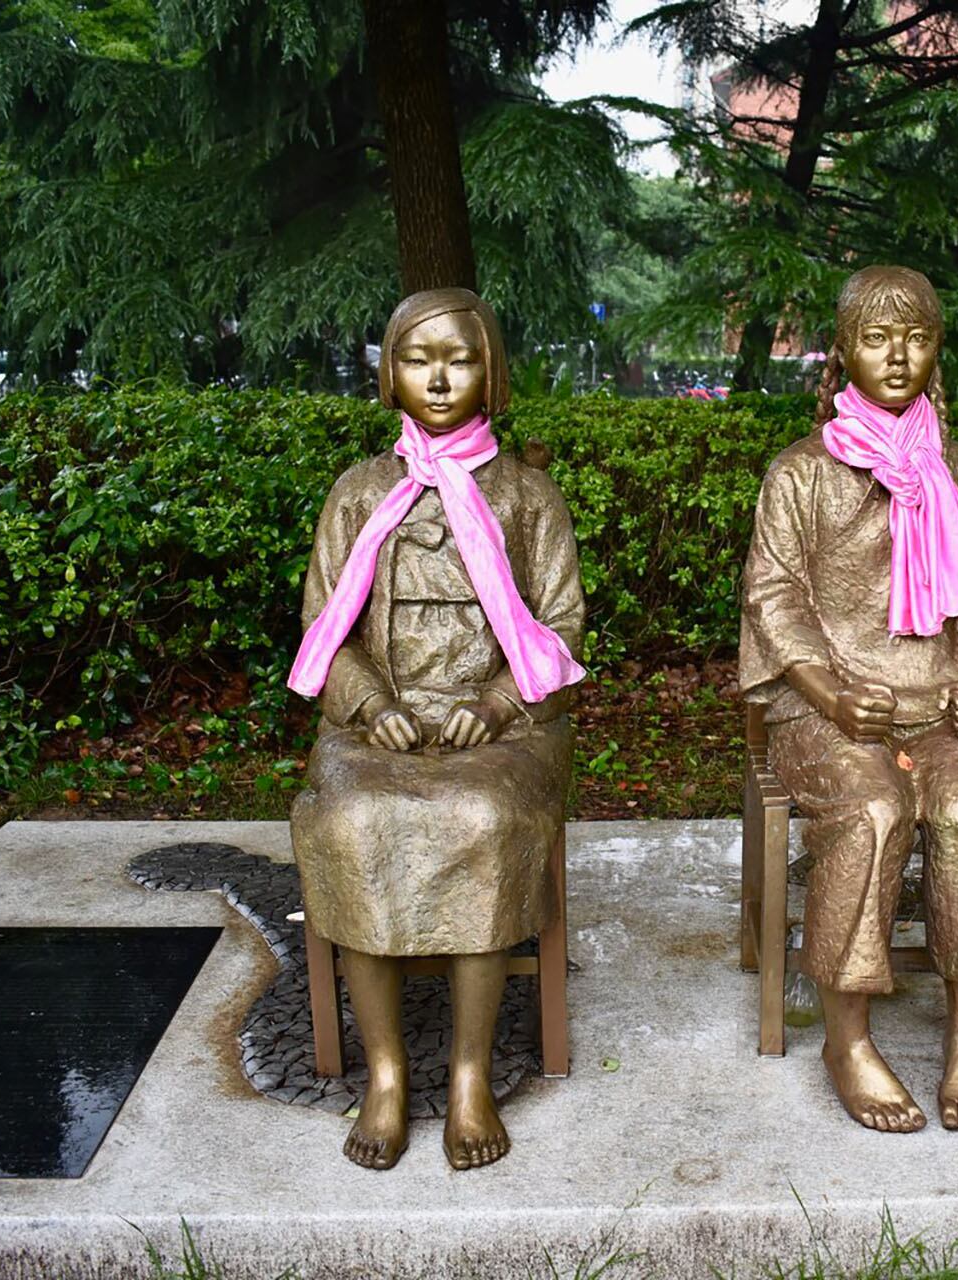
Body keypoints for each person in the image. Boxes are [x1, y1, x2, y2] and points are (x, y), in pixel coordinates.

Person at [287, 288, 586, 1170]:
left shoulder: (529, 496)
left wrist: (494, 703)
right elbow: (322, 630)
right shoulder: (358, 493)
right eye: (419, 360)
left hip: (505, 724)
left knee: (481, 822)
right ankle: (385, 1074)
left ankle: (467, 1074)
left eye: (459, 358)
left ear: (489, 369)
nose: (441, 377)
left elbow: (562, 629)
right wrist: (372, 705)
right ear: (390, 375)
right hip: (375, 724)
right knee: (351, 822)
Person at [739, 265, 958, 1133]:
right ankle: (849, 1040)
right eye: (877, 336)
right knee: (870, 810)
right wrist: (830, 694)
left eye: (917, 337)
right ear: (843, 351)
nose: (898, 356)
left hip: (942, 705)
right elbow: (775, 598)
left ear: (938, 350)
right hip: (826, 709)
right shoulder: (799, 475)